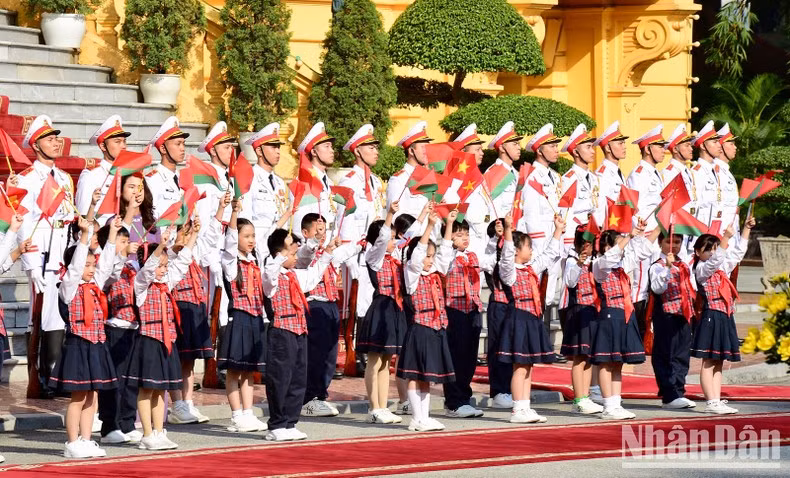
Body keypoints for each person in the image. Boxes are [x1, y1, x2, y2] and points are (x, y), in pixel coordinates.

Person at [48, 216, 119, 458]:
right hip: (78, 344)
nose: (91, 269)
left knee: (93, 394)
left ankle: (87, 439)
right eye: (87, 265)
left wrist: (111, 237)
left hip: (97, 345)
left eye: (92, 264)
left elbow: (107, 264)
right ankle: (71, 442)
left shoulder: (96, 284)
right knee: (78, 396)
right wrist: (85, 237)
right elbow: (76, 266)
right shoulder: (68, 286)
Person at [17, 115, 76, 398]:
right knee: (38, 317)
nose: (56, 142)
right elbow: (24, 223)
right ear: (36, 145)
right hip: (40, 256)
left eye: (56, 138)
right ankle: (37, 375)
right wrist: (30, 265)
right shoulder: (28, 179)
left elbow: (68, 218)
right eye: (49, 139)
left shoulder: (64, 178)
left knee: (58, 319)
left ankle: (53, 374)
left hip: (61, 257)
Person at [124, 225, 196, 451]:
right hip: (149, 340)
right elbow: (148, 270)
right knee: (147, 389)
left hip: (167, 340)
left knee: (160, 389)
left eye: (166, 266)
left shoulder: (166, 284)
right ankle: (146, 433)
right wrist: (162, 245)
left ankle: (158, 430)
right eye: (161, 266)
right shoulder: (141, 285)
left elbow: (182, 263)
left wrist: (193, 236)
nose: (164, 270)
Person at [262, 228, 334, 441]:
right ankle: (276, 424)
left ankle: (291, 422)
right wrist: (282, 252)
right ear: (280, 254)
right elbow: (270, 272)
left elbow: (312, 277)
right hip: (281, 332)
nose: (295, 257)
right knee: (280, 378)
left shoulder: (294, 275)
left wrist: (327, 253)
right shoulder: (271, 277)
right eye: (292, 254)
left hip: (299, 330)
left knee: (297, 378)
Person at [167, 192, 229, 425]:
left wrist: (220, 210)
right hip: (178, 307)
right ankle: (177, 404)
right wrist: (181, 239)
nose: (187, 232)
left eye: (188, 227)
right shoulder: (170, 254)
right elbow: (174, 252)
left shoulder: (193, 251)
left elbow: (211, 238)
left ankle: (188, 402)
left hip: (195, 306)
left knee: (191, 359)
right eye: (182, 228)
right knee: (178, 358)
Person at [498, 213, 564, 423]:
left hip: (531, 319)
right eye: (528, 246)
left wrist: (558, 230)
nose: (531, 250)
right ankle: (517, 409)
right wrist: (508, 229)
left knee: (528, 365)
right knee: (519, 365)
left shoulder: (530, 269)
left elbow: (548, 255)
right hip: (518, 318)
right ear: (518, 250)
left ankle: (525, 406)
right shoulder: (510, 271)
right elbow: (507, 257)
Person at [591, 220, 658, 420]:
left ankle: (616, 402)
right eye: (618, 242)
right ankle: (607, 404)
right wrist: (629, 236)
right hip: (609, 314)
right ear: (606, 246)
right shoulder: (599, 265)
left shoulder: (623, 264)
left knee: (618, 361)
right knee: (605, 361)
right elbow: (611, 256)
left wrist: (657, 228)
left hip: (624, 314)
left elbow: (643, 249)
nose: (624, 246)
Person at [396, 210, 455, 432]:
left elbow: (446, 253)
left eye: (431, 256)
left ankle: (425, 416)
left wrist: (448, 224)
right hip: (420, 326)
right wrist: (429, 226)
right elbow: (418, 252)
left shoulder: (435, 272)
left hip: (436, 325)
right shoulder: (412, 274)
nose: (429, 260)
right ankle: (416, 417)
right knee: (414, 372)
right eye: (426, 257)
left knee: (427, 375)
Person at [297, 214, 361, 417]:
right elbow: (307, 253)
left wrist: (365, 239)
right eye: (316, 230)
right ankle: (309, 397)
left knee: (330, 355)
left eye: (323, 230)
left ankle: (320, 395)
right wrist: (316, 241)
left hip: (331, 305)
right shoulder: (303, 253)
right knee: (315, 354)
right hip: (314, 305)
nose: (321, 234)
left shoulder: (330, 252)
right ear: (305, 233)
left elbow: (349, 250)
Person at [691, 217, 754, 414]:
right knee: (709, 360)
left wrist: (745, 229)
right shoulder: (702, 269)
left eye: (715, 247)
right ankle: (710, 402)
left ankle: (716, 399)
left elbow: (737, 253)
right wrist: (725, 237)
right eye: (708, 249)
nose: (712, 252)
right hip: (711, 315)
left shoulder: (721, 267)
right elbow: (716, 260)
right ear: (698, 252)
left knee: (719, 360)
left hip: (725, 315)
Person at [219, 203, 269, 433]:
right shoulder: (231, 262)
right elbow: (229, 243)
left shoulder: (256, 261)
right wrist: (234, 213)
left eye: (253, 236)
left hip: (255, 317)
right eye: (246, 236)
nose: (251, 240)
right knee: (234, 369)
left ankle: (248, 413)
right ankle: (236, 415)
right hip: (238, 317)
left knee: (250, 369)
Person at [356, 201, 406, 424]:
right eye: (392, 238)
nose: (394, 242)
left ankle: (384, 406)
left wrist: (426, 216)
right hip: (379, 308)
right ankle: (373, 407)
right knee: (374, 361)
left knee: (387, 360)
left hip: (394, 308)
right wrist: (389, 216)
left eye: (396, 238)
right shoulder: (374, 258)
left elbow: (412, 238)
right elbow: (383, 238)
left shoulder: (395, 260)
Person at [441, 217, 496, 419]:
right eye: (459, 234)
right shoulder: (447, 257)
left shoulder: (472, 256)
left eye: (466, 233)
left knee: (469, 358)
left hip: (472, 309)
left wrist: (498, 237)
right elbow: (445, 251)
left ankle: (464, 397)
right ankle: (454, 401)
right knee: (456, 356)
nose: (465, 238)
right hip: (454, 310)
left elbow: (491, 260)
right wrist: (448, 228)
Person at [95, 223, 141, 445]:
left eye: (126, 240)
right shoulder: (103, 269)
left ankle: (127, 422)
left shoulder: (132, 268)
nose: (127, 245)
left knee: (130, 380)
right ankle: (109, 425)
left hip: (133, 327)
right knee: (113, 380)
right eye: (122, 241)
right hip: (113, 327)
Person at [338, 124, 386, 326]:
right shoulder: (348, 181)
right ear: (357, 151)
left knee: (371, 304)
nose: (376, 152)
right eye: (371, 148)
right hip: (355, 254)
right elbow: (344, 220)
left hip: (374, 254)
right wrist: (349, 257)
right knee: (354, 305)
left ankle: (365, 351)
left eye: (376, 147)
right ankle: (353, 352)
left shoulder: (375, 181)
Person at [625, 125, 667, 339]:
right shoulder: (639, 173)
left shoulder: (654, 172)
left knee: (650, 282)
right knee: (639, 285)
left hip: (655, 236)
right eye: (660, 146)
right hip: (644, 236)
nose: (663, 150)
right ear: (648, 148)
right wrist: (640, 235)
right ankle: (637, 334)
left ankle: (647, 333)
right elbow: (635, 207)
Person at [648, 231, 697, 410]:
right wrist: (667, 268)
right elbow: (658, 288)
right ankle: (669, 393)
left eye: (677, 242)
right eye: (669, 242)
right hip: (665, 314)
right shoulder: (657, 266)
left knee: (682, 354)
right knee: (665, 353)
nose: (673, 245)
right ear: (660, 243)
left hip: (683, 313)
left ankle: (679, 390)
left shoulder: (683, 264)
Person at [561, 225, 603, 414]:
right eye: (584, 243)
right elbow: (570, 282)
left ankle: (585, 396)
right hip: (578, 310)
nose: (587, 247)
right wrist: (579, 263)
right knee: (579, 357)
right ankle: (579, 397)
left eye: (590, 243)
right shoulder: (571, 260)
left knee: (588, 358)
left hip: (593, 310)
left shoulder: (596, 261)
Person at [240, 122, 292, 261]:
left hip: (279, 249)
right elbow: (245, 220)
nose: (277, 151)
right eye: (273, 147)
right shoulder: (249, 178)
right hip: (258, 247)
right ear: (259, 151)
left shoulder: (280, 182)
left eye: (278, 147)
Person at [76, 115, 132, 225]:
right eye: (117, 142)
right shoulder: (91, 175)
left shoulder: (129, 173)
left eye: (124, 141)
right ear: (102, 146)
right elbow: (83, 215)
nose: (123, 146)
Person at [444, 123, 490, 257]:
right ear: (464, 151)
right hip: (468, 241)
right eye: (477, 150)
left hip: (484, 238)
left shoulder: (479, 176)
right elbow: (455, 209)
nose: (482, 153)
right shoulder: (456, 179)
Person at [482, 219, 513, 409]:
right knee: (498, 349)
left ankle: (511, 388)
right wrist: (496, 236)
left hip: (515, 305)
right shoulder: (491, 254)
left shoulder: (513, 249)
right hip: (499, 305)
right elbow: (490, 257)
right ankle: (499, 391)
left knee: (513, 348)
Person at [293, 122, 337, 239]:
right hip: (313, 248)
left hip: (329, 246)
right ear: (313, 152)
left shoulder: (329, 182)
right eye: (326, 146)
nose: (332, 150)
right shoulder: (305, 182)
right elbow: (300, 226)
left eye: (331, 146)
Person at [386, 121, 433, 220]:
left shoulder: (429, 176)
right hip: (409, 234)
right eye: (423, 147)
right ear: (411, 151)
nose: (427, 151)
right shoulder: (399, 179)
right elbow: (395, 217)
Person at [145, 116, 189, 220]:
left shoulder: (182, 178)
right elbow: (150, 217)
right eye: (178, 144)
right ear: (163, 148)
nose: (182, 148)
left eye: (183, 143)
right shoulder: (152, 180)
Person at [690, 121, 722, 233]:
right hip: (702, 232)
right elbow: (695, 207)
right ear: (703, 146)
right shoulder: (696, 172)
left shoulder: (714, 171)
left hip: (715, 229)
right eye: (715, 142)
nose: (719, 145)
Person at [486, 121, 522, 218]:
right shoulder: (494, 173)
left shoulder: (517, 173)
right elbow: (493, 209)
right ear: (502, 148)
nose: (519, 148)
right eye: (515, 144)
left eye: (518, 144)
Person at [593, 121, 628, 203]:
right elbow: (602, 207)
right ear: (608, 148)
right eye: (620, 143)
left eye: (624, 143)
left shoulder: (617, 171)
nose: (625, 147)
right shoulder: (602, 175)